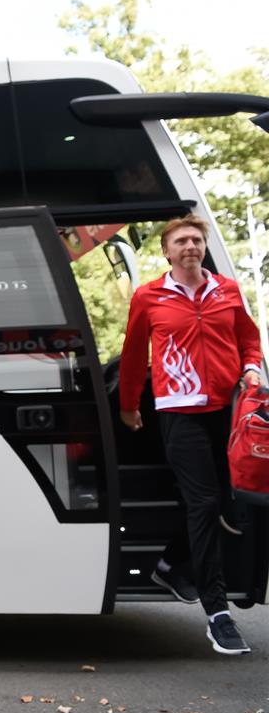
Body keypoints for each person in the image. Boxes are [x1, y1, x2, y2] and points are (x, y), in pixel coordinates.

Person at [119, 213, 261, 655]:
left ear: (204, 247)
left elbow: (248, 340)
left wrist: (252, 367)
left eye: (196, 240)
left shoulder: (227, 290)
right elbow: (132, 354)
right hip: (179, 413)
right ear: (167, 251)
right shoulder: (149, 297)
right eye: (180, 241)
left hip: (228, 411)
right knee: (203, 503)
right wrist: (128, 406)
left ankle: (167, 564)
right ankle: (218, 614)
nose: (190, 246)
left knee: (225, 500)